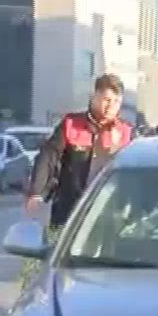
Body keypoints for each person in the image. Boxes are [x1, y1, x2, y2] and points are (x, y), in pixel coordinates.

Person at [26, 73, 135, 231]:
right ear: (94, 97)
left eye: (116, 101)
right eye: (107, 100)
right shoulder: (71, 125)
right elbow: (48, 157)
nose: (111, 106)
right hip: (70, 209)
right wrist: (37, 192)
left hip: (109, 213)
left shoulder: (126, 132)